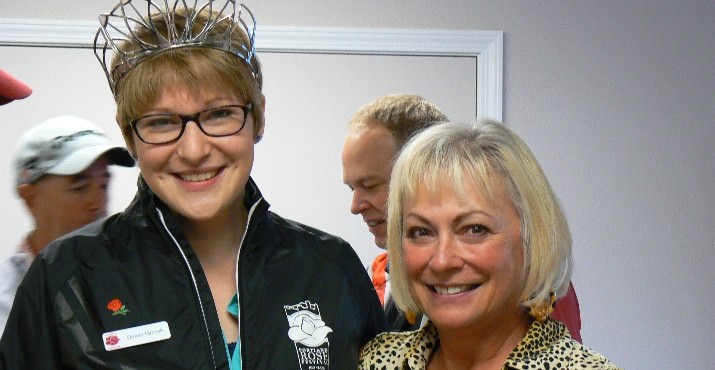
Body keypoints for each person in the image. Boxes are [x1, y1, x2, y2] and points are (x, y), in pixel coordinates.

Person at [0, 1, 386, 369]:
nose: (194, 150)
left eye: (219, 115)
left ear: (259, 118)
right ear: (129, 136)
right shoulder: (67, 280)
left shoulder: (329, 270)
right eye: (161, 122)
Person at [358, 120, 620, 369]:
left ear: (532, 238)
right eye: (421, 232)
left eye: (474, 229)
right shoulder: (375, 361)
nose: (442, 260)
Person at [342, 94, 583, 342]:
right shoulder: (383, 276)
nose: (356, 206)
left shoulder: (532, 285)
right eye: (421, 233)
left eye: (371, 185)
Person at [0, 115, 135, 334]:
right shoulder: (5, 300)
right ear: (30, 196)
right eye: (79, 188)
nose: (98, 204)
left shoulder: (133, 284)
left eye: (103, 185)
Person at [342, 94, 447, 331]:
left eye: (370, 186)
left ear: (429, 175)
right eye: (352, 188)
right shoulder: (376, 281)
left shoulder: (479, 294)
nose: (355, 206)